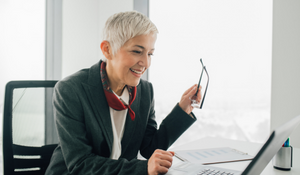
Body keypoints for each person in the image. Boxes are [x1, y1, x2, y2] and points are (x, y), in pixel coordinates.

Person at [45, 11, 201, 175]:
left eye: (150, 54)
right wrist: (142, 168)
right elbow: (80, 164)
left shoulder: (145, 91)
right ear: (107, 50)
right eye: (137, 51)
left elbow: (150, 149)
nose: (146, 63)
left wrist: (183, 110)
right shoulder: (71, 90)